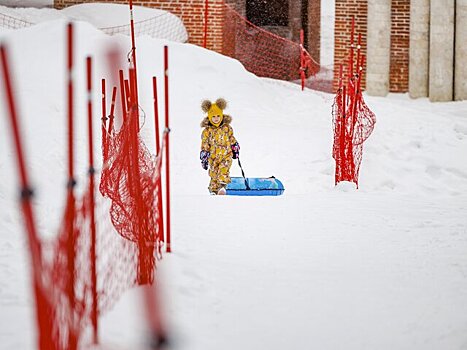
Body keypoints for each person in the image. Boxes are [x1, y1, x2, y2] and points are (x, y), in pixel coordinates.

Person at [200, 98, 240, 195]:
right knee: (214, 174)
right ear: (209, 117)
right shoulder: (207, 131)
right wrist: (204, 155)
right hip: (213, 158)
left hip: (226, 155)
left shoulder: (227, 128)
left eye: (218, 116)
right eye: (213, 116)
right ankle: (214, 190)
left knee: (223, 169)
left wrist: (235, 146)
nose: (216, 118)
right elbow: (205, 144)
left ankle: (222, 187)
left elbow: (231, 138)